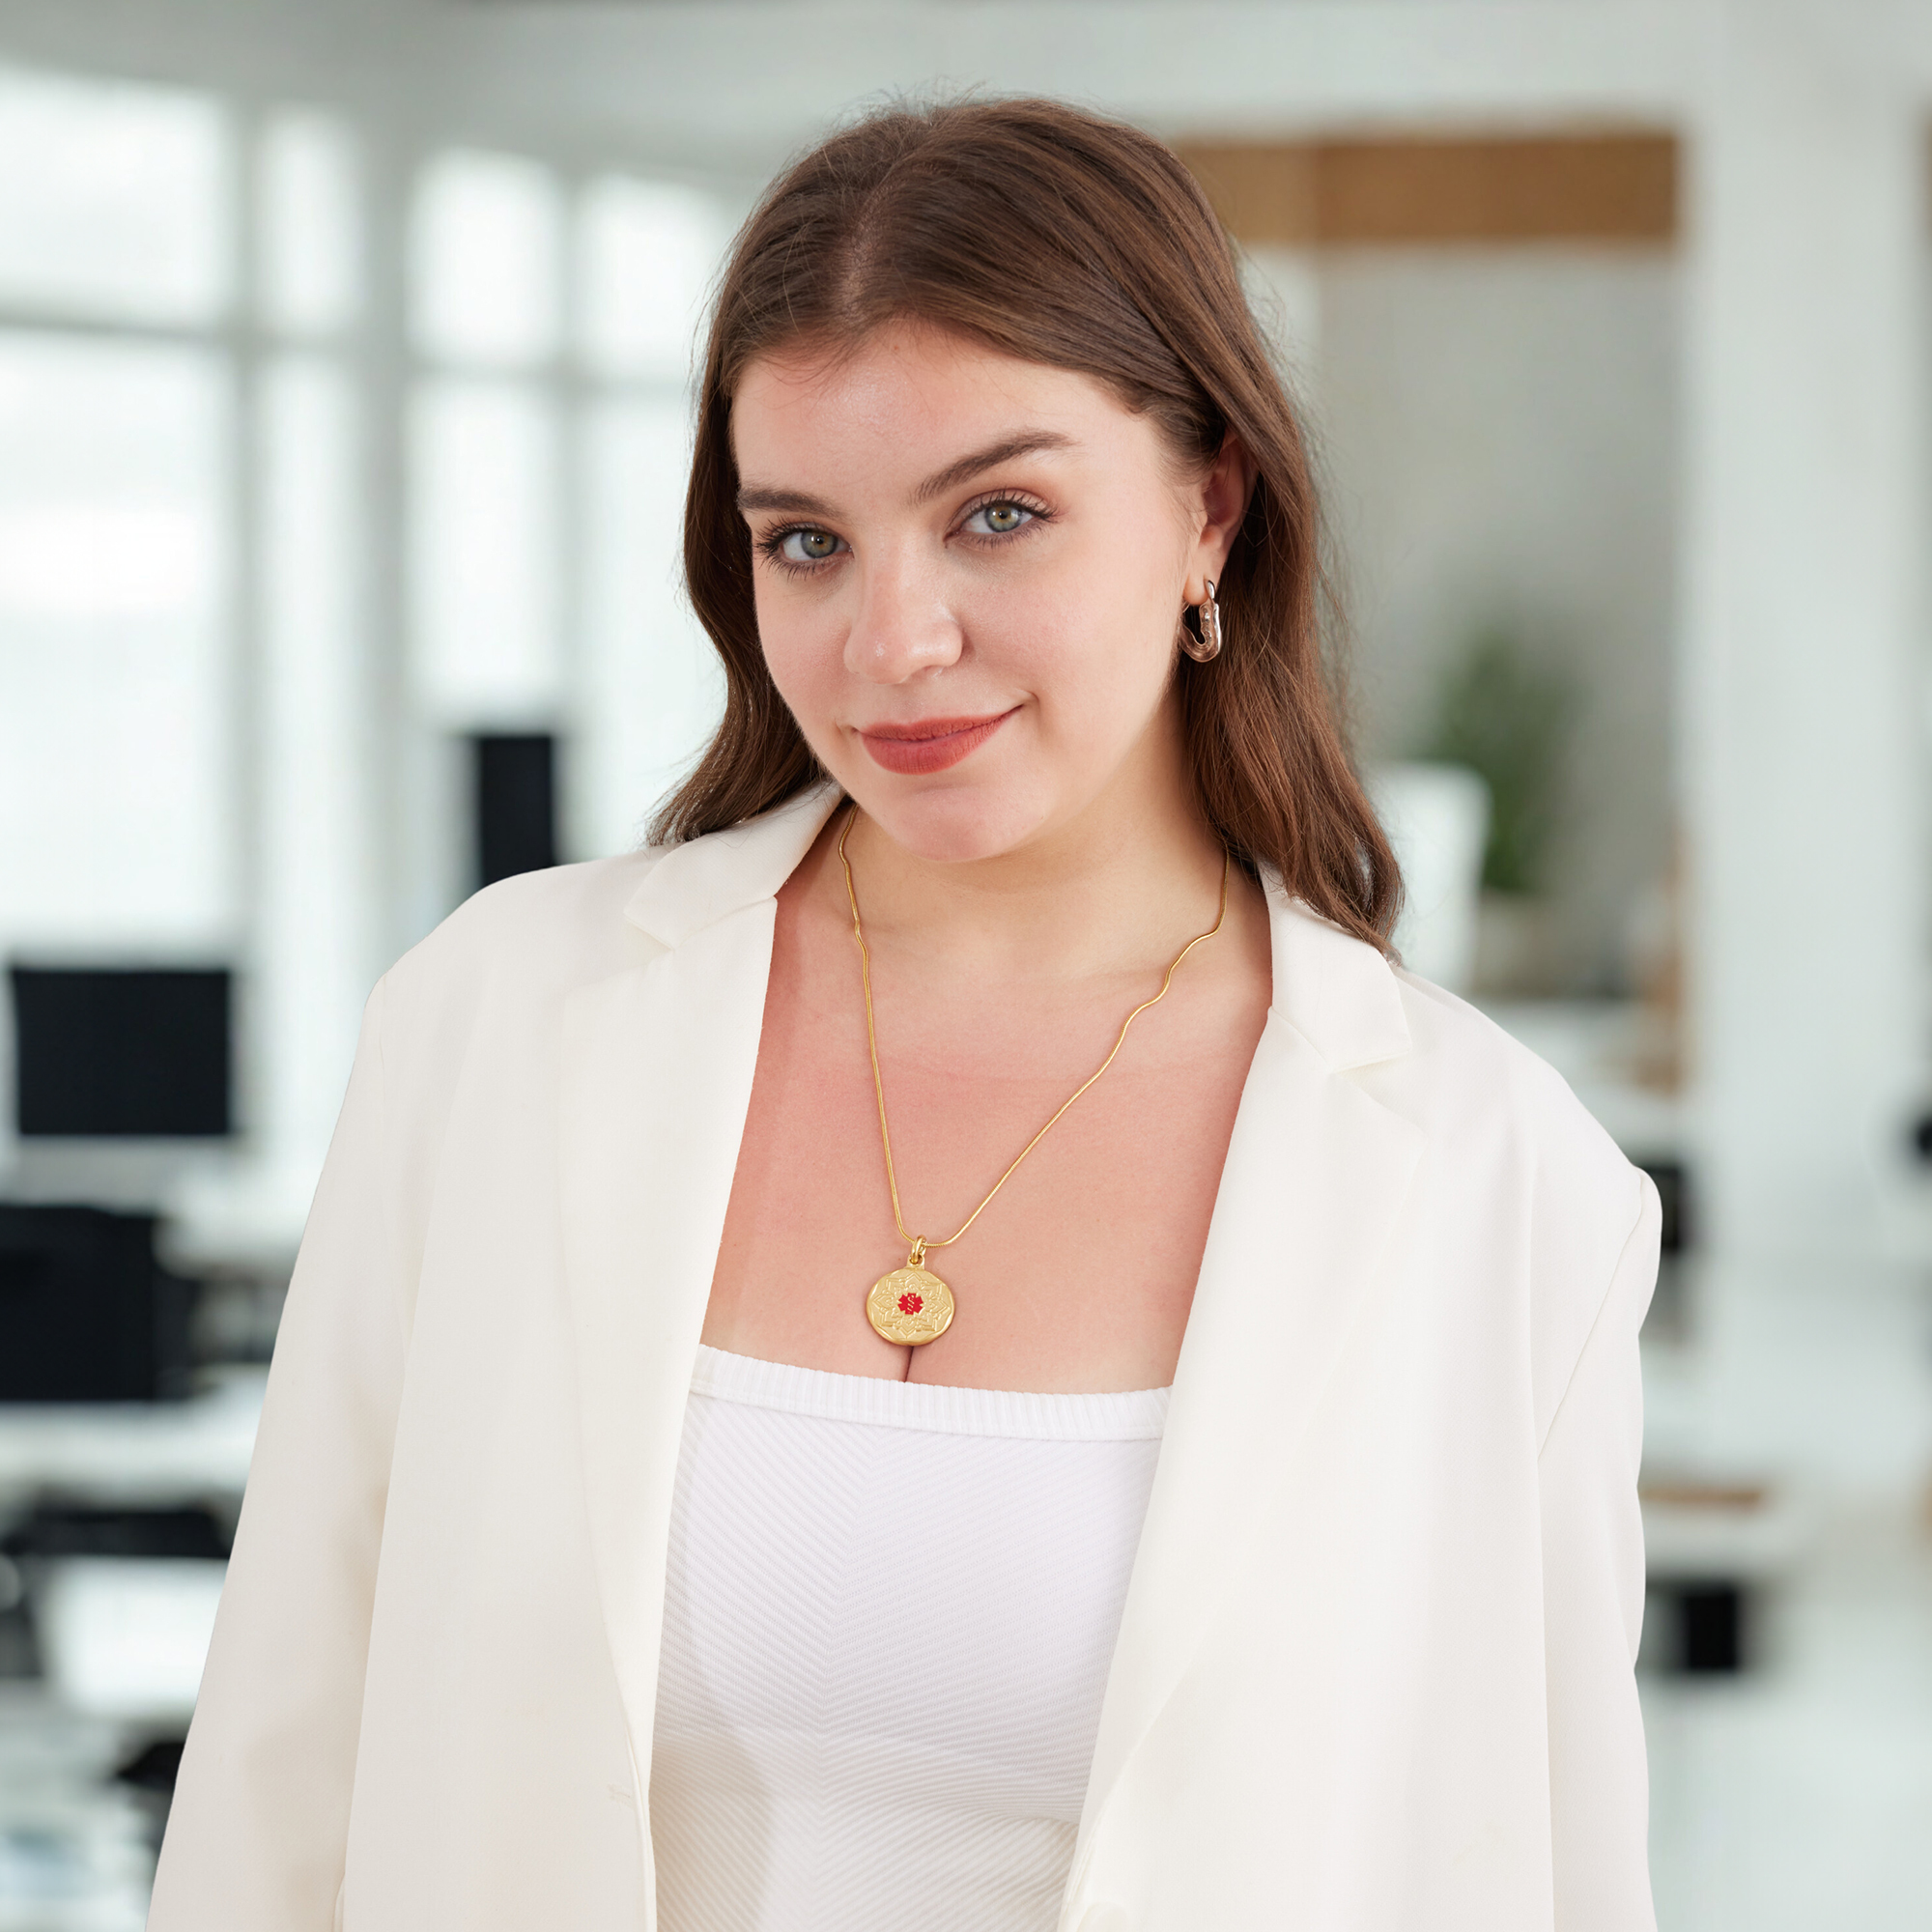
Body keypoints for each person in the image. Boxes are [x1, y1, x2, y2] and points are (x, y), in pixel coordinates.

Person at [149, 98, 1659, 1932]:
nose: (893, 643)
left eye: (998, 515)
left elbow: (1541, 1875)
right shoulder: (496, 1027)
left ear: (1211, 508)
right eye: (806, 541)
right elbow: (276, 1785)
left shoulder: (1494, 1182)